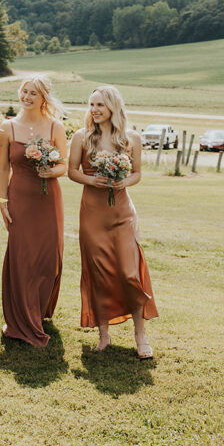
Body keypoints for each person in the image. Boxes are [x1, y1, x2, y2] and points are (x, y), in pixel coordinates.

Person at [68, 86, 158, 358]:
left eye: (100, 105)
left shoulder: (131, 138)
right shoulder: (81, 137)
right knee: (99, 271)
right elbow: (72, 171)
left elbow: (138, 174)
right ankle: (103, 334)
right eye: (92, 104)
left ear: (113, 108)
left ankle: (140, 334)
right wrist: (90, 179)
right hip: (92, 213)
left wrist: (123, 181)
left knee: (130, 272)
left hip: (122, 213)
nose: (94, 110)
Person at [0, 75, 67, 347]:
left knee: (48, 257)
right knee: (22, 257)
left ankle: (37, 312)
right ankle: (19, 318)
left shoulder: (55, 127)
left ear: (43, 98)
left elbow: (63, 164)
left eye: (33, 94)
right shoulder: (7, 127)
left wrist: (52, 170)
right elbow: (3, 168)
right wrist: (3, 203)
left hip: (48, 200)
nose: (26, 97)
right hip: (20, 199)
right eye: (24, 91)